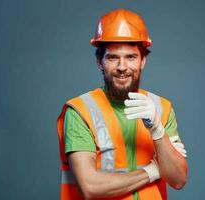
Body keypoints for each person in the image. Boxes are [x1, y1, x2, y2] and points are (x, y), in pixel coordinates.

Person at [57, 8, 188, 200]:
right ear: (99, 62)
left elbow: (177, 179)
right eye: (112, 57)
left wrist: (158, 130)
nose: (122, 67)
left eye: (131, 57)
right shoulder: (81, 111)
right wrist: (152, 171)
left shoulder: (161, 108)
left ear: (143, 60)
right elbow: (91, 187)